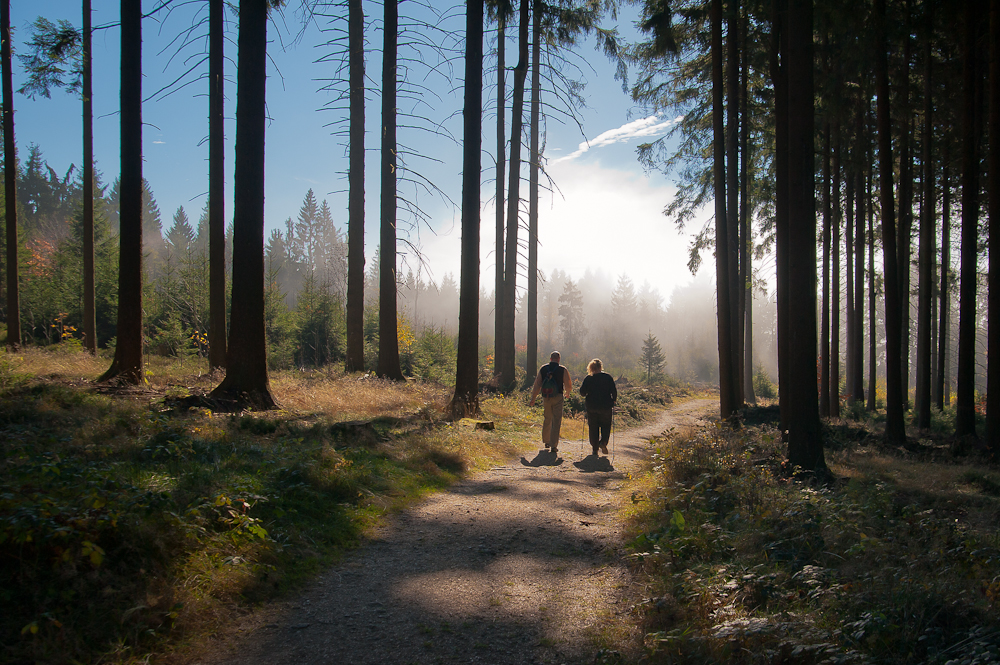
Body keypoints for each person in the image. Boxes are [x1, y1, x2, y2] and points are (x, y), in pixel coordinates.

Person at [529, 351, 573, 453]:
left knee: (547, 418)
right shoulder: (562, 369)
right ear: (559, 359)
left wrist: (533, 398)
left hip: (546, 397)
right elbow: (568, 383)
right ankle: (554, 445)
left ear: (550, 359)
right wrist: (567, 392)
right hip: (558, 396)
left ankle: (546, 441)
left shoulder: (543, 368)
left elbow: (537, 384)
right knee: (556, 420)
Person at [578, 358, 617, 456]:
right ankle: (603, 442)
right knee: (606, 426)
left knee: (593, 427)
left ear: (591, 368)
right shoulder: (608, 377)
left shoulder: (588, 378)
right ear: (601, 367)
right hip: (606, 406)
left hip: (592, 407)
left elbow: (582, 392)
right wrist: (613, 401)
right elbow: (614, 391)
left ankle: (595, 448)